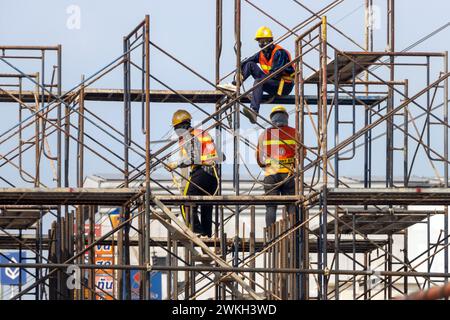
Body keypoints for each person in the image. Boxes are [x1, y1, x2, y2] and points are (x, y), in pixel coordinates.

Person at [219, 26, 295, 124]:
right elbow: (248, 62)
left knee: (259, 81)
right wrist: (240, 67)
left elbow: (275, 74)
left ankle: (254, 112)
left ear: (270, 41)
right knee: (250, 65)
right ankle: (235, 85)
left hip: (283, 85)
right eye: (260, 42)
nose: (262, 44)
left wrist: (261, 80)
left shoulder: (279, 53)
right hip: (272, 82)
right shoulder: (261, 54)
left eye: (264, 42)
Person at [167, 109, 222, 237]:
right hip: (213, 176)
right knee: (206, 207)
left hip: (201, 172)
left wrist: (176, 164)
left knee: (186, 200)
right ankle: (206, 236)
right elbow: (221, 156)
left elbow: (194, 157)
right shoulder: (202, 133)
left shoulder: (188, 136)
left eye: (176, 128)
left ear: (181, 126)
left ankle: (195, 230)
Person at [256, 105, 301, 227]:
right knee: (291, 204)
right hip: (288, 174)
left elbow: (259, 158)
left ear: (272, 118)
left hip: (271, 174)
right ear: (286, 117)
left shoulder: (265, 134)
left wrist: (265, 164)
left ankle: (271, 236)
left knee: (271, 206)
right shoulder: (294, 133)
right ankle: (294, 233)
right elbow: (302, 154)